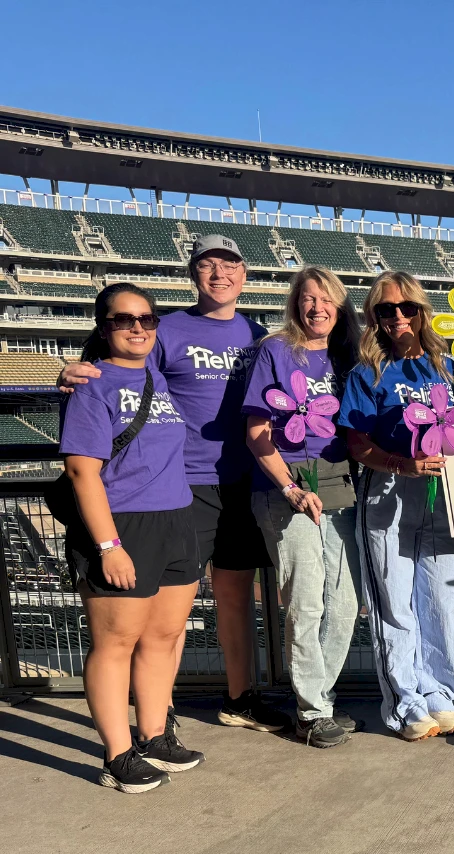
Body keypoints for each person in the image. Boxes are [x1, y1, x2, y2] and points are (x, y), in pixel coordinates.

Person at [60, 235, 290, 735]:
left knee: (235, 596)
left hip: (242, 480)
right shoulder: (168, 329)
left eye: (229, 264)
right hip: (183, 485)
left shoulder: (259, 334)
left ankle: (239, 698)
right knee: (167, 612)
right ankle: (155, 709)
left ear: (245, 274)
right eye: (208, 265)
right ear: (194, 274)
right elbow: (118, 370)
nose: (219, 274)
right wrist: (72, 371)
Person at [59, 284, 202, 792]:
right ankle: (116, 755)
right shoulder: (92, 386)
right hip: (125, 524)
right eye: (124, 320)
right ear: (104, 328)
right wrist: (108, 545)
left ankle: (154, 735)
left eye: (147, 318)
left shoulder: (156, 376)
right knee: (115, 644)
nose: (138, 327)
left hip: (176, 517)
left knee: (162, 638)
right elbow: (82, 471)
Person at [338, 272, 454, 741]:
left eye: (406, 307)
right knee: (393, 602)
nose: (397, 317)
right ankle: (405, 700)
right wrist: (400, 463)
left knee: (438, 599)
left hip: (439, 495)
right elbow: (355, 440)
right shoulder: (366, 372)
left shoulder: (447, 365)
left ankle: (439, 693)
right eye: (385, 310)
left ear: (421, 311)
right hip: (385, 489)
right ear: (373, 318)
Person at [242, 268, 362, 749]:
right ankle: (311, 713)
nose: (317, 307)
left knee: (347, 603)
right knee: (306, 602)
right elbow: (256, 432)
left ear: (340, 306)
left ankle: (321, 699)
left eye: (326, 299)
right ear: (295, 305)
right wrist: (290, 487)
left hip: (338, 484)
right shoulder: (276, 351)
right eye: (308, 299)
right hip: (286, 487)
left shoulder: (347, 355)